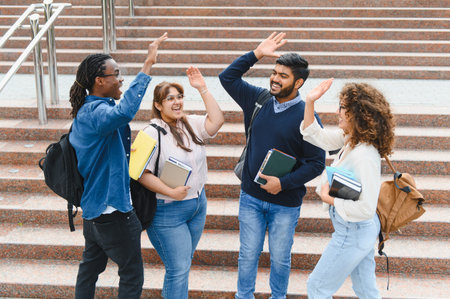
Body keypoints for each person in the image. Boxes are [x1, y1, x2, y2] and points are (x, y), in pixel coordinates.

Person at [219, 32, 326, 299]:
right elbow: (227, 78)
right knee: (247, 255)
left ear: (298, 82)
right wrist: (256, 54)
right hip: (251, 197)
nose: (275, 79)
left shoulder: (307, 117)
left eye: (283, 76)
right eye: (275, 72)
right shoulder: (258, 99)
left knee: (280, 259)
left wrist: (284, 183)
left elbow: (316, 164)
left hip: (285, 203)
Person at [69, 33, 168, 299]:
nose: (121, 78)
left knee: (90, 270)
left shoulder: (87, 112)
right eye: (116, 73)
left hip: (94, 209)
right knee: (132, 274)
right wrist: (148, 64)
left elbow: (101, 148)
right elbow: (124, 112)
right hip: (113, 211)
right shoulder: (97, 112)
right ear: (99, 81)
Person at [300, 79, 395, 298]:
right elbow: (314, 135)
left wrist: (328, 197)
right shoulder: (351, 140)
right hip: (357, 230)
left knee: (317, 287)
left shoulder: (365, 155)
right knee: (366, 290)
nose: (338, 112)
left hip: (353, 230)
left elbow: (365, 209)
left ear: (358, 114)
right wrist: (310, 101)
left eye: (342, 107)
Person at [137, 66, 224, 299]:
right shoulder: (150, 132)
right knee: (178, 269)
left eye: (179, 97)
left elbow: (217, 121)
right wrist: (170, 192)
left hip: (197, 205)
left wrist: (202, 88)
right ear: (158, 105)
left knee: (182, 266)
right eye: (169, 99)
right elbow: (139, 173)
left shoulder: (191, 123)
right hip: (167, 211)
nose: (176, 102)